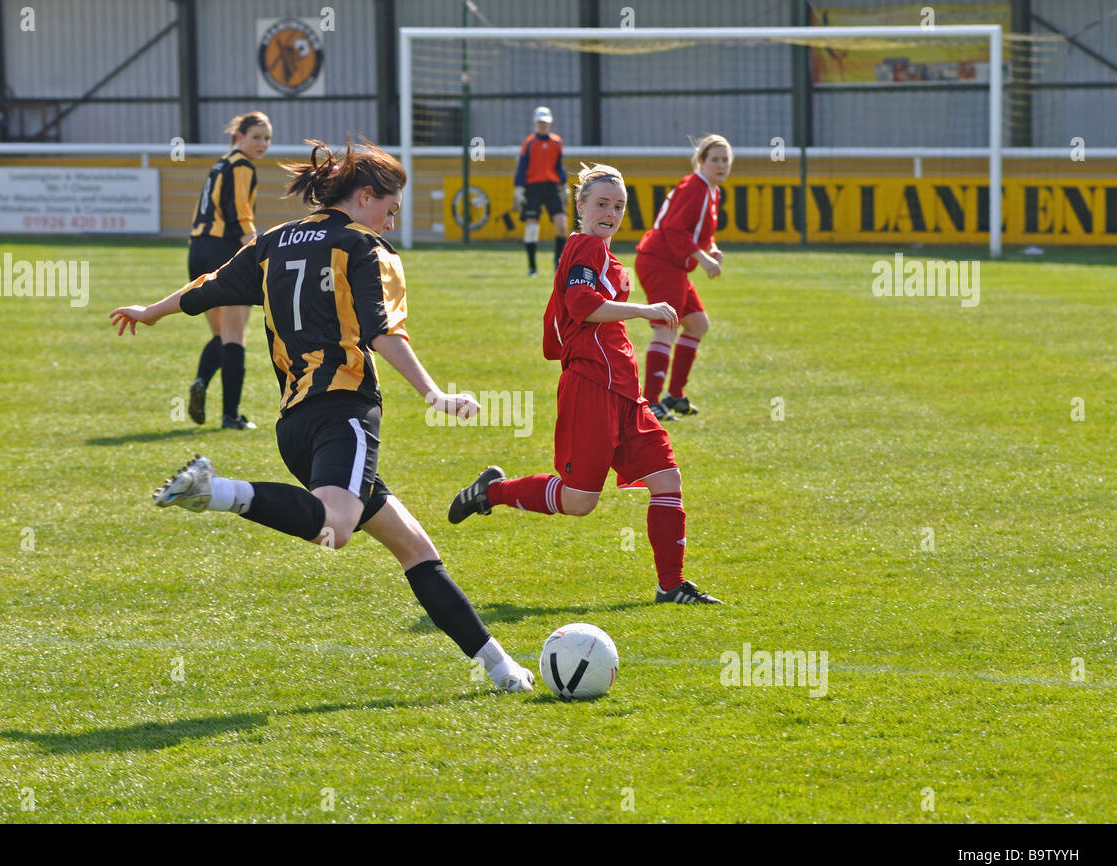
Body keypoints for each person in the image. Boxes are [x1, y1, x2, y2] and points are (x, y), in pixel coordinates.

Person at [108, 139, 536, 693]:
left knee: (414, 549)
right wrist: (434, 394)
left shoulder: (274, 242)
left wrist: (151, 312)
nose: (391, 217)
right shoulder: (366, 248)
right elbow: (383, 332)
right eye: (390, 205)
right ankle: (215, 491)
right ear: (364, 196)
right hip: (344, 412)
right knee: (334, 529)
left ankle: (503, 670)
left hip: (294, 425)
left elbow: (208, 289)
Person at [449, 163, 723, 607]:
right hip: (590, 387)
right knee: (579, 501)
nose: (610, 212)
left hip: (625, 394)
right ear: (579, 206)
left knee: (667, 480)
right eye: (601, 203)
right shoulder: (585, 247)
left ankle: (671, 586)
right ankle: (491, 491)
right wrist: (643, 310)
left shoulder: (610, 259)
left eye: (618, 206)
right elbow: (581, 304)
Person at [635, 134, 733, 421]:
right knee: (666, 326)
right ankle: (650, 402)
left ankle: (674, 395)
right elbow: (673, 228)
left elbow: (701, 232)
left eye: (725, 159)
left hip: (673, 264)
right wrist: (702, 258)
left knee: (697, 324)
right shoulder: (695, 187)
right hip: (660, 261)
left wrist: (711, 249)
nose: (721, 165)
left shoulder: (711, 190)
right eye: (714, 159)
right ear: (700, 161)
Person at [186, 111, 272, 430]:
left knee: (221, 334)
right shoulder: (242, 166)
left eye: (267, 138)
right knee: (235, 336)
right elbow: (240, 215)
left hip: (197, 251)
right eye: (256, 137)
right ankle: (231, 416)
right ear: (239, 137)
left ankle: (200, 381)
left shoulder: (220, 163)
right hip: (225, 250)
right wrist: (258, 251)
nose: (262, 144)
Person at [513, 105, 568, 277]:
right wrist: (519, 188)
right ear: (535, 123)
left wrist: (563, 186)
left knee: (561, 224)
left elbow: (558, 166)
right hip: (533, 188)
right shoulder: (529, 143)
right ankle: (532, 267)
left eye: (545, 122)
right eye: (539, 122)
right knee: (532, 227)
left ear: (550, 122)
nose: (542, 125)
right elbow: (522, 166)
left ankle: (558, 261)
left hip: (551, 187)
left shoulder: (557, 142)